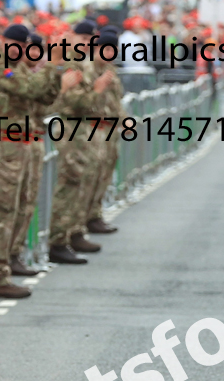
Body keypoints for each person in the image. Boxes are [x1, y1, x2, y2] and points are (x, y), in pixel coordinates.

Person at [0, 23, 62, 298]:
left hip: (25, 143)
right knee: (3, 211)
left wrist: (52, 71)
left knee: (23, 206)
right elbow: (28, 89)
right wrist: (49, 67)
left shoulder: (23, 68)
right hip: (5, 145)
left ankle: (11, 257)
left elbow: (47, 97)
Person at [48, 20, 109, 264]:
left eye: (89, 39)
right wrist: (95, 91)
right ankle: (59, 239)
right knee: (69, 182)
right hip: (70, 125)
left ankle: (73, 232)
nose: (85, 43)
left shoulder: (84, 61)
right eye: (81, 38)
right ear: (70, 36)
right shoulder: (69, 62)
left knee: (79, 182)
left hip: (81, 127)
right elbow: (74, 101)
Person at [85, 30, 125, 235]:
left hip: (110, 128)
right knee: (90, 175)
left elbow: (116, 101)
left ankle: (95, 214)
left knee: (105, 174)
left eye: (113, 50)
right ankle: (83, 218)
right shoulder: (89, 69)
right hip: (92, 128)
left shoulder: (111, 70)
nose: (109, 53)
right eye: (106, 49)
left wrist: (124, 120)